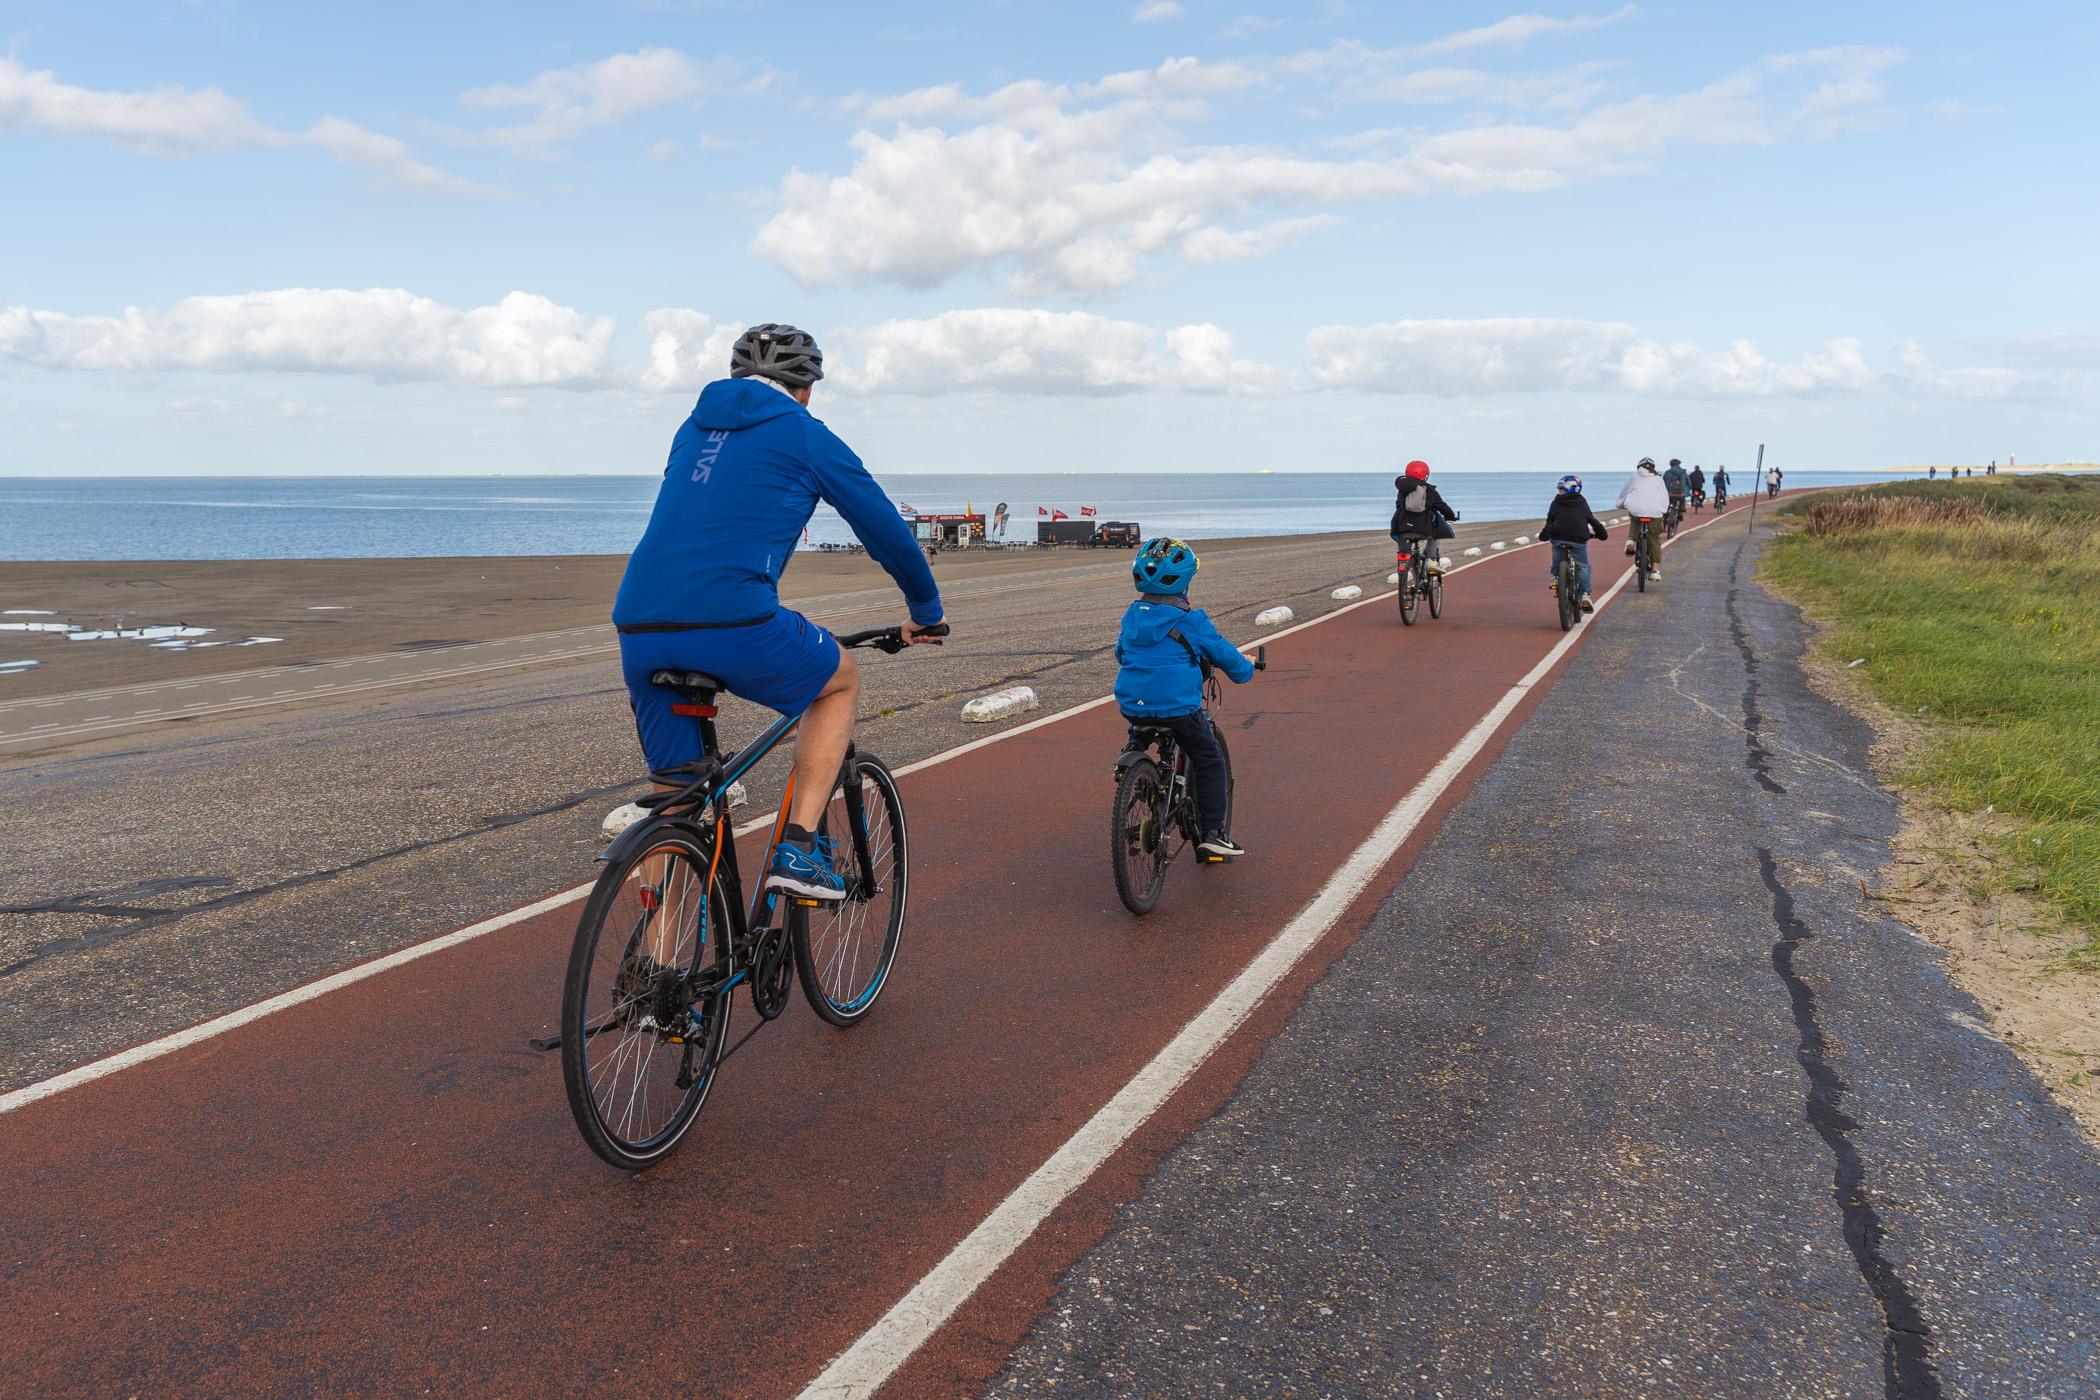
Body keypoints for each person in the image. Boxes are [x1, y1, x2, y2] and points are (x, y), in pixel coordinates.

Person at [613, 323, 945, 902]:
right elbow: (886, 530)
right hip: (733, 622)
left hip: (638, 626)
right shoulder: (805, 433)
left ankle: (656, 973)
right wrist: (925, 609)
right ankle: (799, 843)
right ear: (806, 388)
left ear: (739, 377)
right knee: (837, 681)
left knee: (678, 799)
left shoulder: (691, 429)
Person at [1113, 538, 1256, 859]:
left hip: (1132, 705)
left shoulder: (1133, 615)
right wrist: (1246, 668)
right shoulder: (1191, 621)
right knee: (1209, 759)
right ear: (1187, 579)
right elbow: (1226, 656)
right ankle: (1213, 834)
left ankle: (1134, 756)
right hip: (1178, 708)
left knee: (1144, 721)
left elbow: (1121, 653)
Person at [1538, 474, 1608, 613]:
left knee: (1557, 557)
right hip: (1578, 540)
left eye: (1562, 490)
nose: (1560, 492)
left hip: (1558, 538)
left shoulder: (1556, 502)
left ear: (1570, 489)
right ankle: (1585, 595)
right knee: (1583, 566)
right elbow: (1591, 520)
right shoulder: (1581, 502)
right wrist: (1602, 534)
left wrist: (1543, 536)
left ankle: (1556, 578)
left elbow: (1550, 522)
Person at [1390, 459, 1459, 572]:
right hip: (1424, 530)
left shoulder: (1402, 490)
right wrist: (1451, 516)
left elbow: (1398, 505)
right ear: (1425, 475)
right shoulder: (1429, 491)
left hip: (1403, 528)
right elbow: (1442, 506)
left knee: (1403, 547)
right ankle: (1430, 560)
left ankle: (1404, 561)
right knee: (1434, 533)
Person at [1616, 457, 1670, 581]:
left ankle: (1631, 540)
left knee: (1635, 517)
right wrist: (1663, 510)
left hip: (1637, 510)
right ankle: (1656, 571)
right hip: (1654, 512)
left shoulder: (1634, 477)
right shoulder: (1658, 479)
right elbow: (1664, 496)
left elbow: (1624, 492)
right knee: (1654, 540)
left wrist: (1619, 504)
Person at [1662, 458, 1689, 526]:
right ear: (1679, 465)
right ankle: (1680, 512)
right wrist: (1687, 491)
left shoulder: (1667, 472)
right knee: (1682, 500)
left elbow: (1662, 483)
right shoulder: (1683, 473)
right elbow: (1688, 483)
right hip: (1680, 494)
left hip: (1670, 494)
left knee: (1667, 505)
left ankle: (1665, 517)